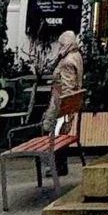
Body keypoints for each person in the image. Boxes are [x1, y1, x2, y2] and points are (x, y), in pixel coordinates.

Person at [41, 29, 84, 174]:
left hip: (60, 106)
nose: (59, 48)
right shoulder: (77, 56)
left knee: (51, 129)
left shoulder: (67, 61)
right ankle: (60, 165)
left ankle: (55, 165)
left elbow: (67, 87)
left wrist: (61, 110)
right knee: (59, 132)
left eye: (60, 44)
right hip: (67, 107)